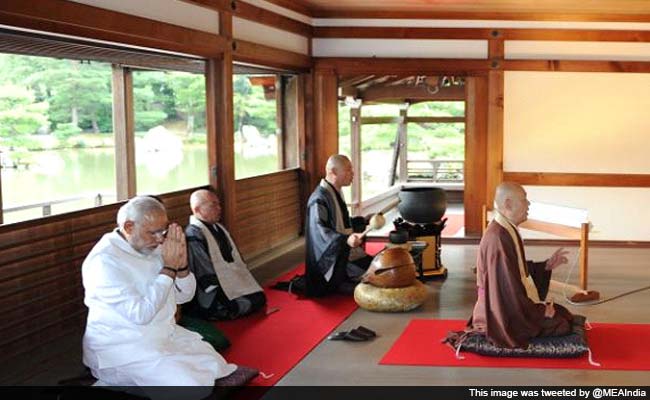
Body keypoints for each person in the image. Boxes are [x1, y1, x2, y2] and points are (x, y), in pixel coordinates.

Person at [81, 196, 237, 394]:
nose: (160, 239)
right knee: (191, 388)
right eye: (153, 233)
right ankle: (113, 382)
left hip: (162, 335)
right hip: (124, 348)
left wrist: (181, 267)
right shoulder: (104, 262)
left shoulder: (149, 244)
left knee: (215, 365)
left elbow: (184, 297)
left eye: (163, 231)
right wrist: (169, 268)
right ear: (129, 227)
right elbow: (141, 314)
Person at [460, 182, 575, 349]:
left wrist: (545, 267)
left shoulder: (505, 229)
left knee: (563, 315)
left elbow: (513, 272)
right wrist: (539, 312)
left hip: (506, 302)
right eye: (524, 199)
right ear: (508, 204)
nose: (528, 204)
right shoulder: (498, 237)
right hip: (498, 311)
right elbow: (506, 287)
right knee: (562, 323)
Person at [185, 189, 266, 320]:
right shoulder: (193, 233)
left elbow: (233, 259)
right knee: (233, 306)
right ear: (197, 209)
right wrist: (220, 290)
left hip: (228, 280)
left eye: (219, 204)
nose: (219, 208)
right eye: (213, 205)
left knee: (259, 298)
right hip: (210, 289)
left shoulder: (218, 228)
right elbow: (202, 270)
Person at [304, 154, 373, 297]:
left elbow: (341, 223)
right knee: (373, 278)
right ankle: (339, 282)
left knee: (379, 266)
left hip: (344, 253)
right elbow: (320, 232)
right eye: (348, 170)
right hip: (330, 262)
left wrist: (363, 220)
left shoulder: (334, 192)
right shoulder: (319, 198)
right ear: (333, 172)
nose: (353, 174)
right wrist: (345, 240)